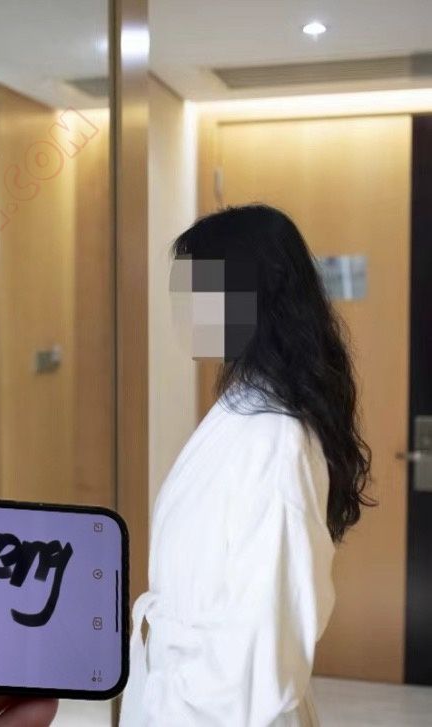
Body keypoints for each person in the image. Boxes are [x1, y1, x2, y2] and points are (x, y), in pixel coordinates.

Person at [120, 205, 372, 726]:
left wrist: (186, 704)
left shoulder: (272, 437)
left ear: (253, 298)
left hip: (222, 710)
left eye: (198, 291)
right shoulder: (244, 410)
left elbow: (264, 634)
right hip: (193, 694)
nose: (182, 311)